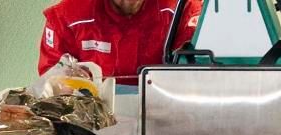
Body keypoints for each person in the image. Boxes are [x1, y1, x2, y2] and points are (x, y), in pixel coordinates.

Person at [38, 0, 203, 84]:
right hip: (93, 126)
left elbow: (198, 77)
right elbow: (53, 83)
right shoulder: (66, 17)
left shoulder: (185, 10)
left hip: (164, 119)